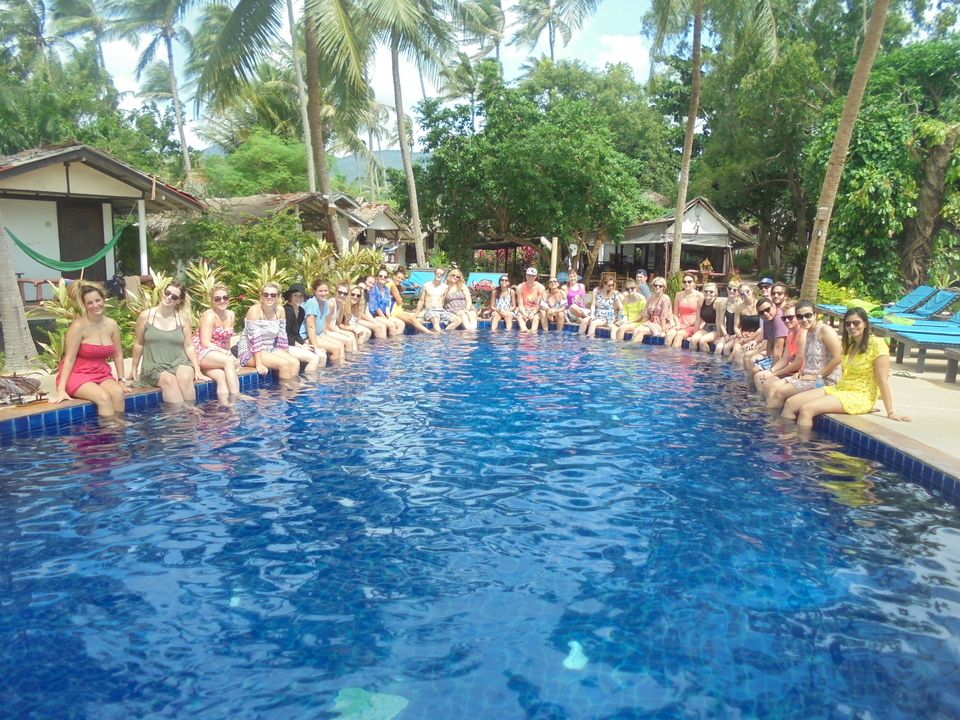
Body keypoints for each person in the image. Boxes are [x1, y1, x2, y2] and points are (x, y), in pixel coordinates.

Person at [782, 307, 911, 428]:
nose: (852, 327)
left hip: (860, 395)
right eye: (848, 324)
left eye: (856, 323)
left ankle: (802, 447)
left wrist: (891, 412)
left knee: (807, 409)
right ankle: (786, 443)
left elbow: (882, 380)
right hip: (841, 389)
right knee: (790, 403)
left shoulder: (877, 344)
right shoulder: (850, 344)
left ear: (865, 323)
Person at [49, 281, 130, 417]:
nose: (95, 305)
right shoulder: (78, 326)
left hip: (101, 372)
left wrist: (121, 380)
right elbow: (69, 359)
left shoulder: (112, 325)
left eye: (98, 300)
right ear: (84, 305)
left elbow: (118, 355)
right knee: (103, 398)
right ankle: (109, 433)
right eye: (90, 303)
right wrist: (61, 389)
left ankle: (118, 432)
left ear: (103, 300)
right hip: (77, 373)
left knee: (118, 393)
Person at [128, 280, 210, 404]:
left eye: (174, 296)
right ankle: (178, 418)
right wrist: (134, 368)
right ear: (163, 292)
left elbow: (188, 346)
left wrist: (197, 370)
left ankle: (191, 415)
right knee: (169, 381)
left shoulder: (182, 319)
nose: (169, 297)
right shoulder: (146, 316)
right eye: (167, 293)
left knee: (186, 378)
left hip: (178, 361)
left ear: (179, 300)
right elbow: (139, 343)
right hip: (154, 364)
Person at [765, 300, 843, 409]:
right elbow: (815, 360)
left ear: (815, 315)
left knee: (781, 392)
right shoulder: (809, 332)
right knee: (773, 386)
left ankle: (771, 421)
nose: (804, 319)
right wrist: (802, 371)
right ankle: (770, 418)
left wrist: (817, 376)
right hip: (810, 376)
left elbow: (838, 357)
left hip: (825, 379)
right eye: (800, 317)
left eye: (808, 315)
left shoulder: (825, 330)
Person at [236, 281, 301, 379]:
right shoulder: (254, 311)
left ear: (278, 297)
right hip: (250, 351)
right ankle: (286, 393)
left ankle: (293, 391)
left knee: (295, 363)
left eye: (273, 295)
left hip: (270, 348)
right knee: (284, 364)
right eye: (266, 294)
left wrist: (284, 353)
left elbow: (282, 336)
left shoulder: (280, 310)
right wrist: (259, 364)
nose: (269, 297)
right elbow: (255, 340)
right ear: (261, 296)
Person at [193, 284, 243, 398]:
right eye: (217, 298)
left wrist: (228, 352)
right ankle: (236, 396)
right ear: (212, 301)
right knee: (229, 362)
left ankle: (225, 406)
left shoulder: (231, 314)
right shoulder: (209, 316)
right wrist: (227, 355)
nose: (222, 301)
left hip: (217, 353)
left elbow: (226, 341)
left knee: (221, 376)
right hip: (202, 351)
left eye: (225, 297)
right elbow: (205, 342)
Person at [754, 300, 805, 394]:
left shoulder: (803, 335)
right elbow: (784, 359)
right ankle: (761, 402)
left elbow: (798, 363)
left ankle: (767, 405)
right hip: (792, 369)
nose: (786, 321)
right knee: (761, 377)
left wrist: (775, 373)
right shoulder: (790, 335)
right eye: (784, 318)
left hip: (800, 372)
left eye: (790, 317)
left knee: (770, 383)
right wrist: (771, 371)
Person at [303, 279, 350, 361]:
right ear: (315, 292)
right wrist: (316, 347)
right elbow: (310, 327)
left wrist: (326, 339)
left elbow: (323, 324)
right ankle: (333, 371)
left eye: (326, 291)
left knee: (340, 344)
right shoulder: (312, 304)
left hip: (318, 334)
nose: (323, 293)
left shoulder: (324, 303)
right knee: (335, 349)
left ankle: (342, 365)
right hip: (306, 336)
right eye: (320, 291)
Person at [282, 283, 324, 372]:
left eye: (301, 296)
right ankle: (307, 384)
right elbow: (284, 334)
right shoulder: (287, 311)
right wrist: (300, 346)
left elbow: (296, 334)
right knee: (314, 358)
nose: (298, 298)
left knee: (322, 355)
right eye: (295, 295)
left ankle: (319, 381)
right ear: (290, 297)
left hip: (293, 343)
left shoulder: (301, 311)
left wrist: (304, 344)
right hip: (284, 344)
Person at [387, 268, 437, 334]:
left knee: (413, 319)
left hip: (398, 310)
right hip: (393, 312)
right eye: (398, 277)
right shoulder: (392, 286)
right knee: (412, 320)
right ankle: (430, 333)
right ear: (394, 276)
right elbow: (399, 301)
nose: (400, 280)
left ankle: (428, 332)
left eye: (401, 279)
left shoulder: (393, 286)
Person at [629, 276, 672, 343]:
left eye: (660, 286)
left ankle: (633, 347)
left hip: (661, 323)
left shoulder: (665, 299)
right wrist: (642, 324)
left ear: (663, 287)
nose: (657, 287)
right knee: (636, 330)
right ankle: (634, 348)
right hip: (650, 322)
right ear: (653, 286)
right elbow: (646, 314)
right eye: (655, 285)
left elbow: (664, 316)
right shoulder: (650, 298)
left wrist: (663, 330)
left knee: (641, 331)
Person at [666, 273, 703, 348]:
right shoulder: (678, 295)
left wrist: (688, 325)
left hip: (694, 324)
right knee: (669, 334)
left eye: (689, 282)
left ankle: (676, 357)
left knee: (679, 334)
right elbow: (675, 314)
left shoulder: (699, 296)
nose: (687, 283)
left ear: (694, 283)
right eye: (684, 282)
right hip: (681, 322)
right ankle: (667, 355)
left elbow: (701, 316)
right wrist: (678, 324)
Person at [729, 285, 761, 364]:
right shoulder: (739, 307)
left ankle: (741, 373)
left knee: (740, 353)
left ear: (751, 290)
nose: (746, 294)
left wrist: (750, 339)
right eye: (742, 293)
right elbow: (736, 326)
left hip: (756, 336)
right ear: (740, 296)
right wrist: (740, 336)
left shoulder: (759, 305)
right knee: (735, 352)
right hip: (742, 335)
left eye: (747, 291)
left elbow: (761, 328)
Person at [368, 268, 405, 336]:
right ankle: (391, 343)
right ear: (377, 276)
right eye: (380, 276)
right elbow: (376, 307)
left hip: (385, 314)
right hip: (376, 315)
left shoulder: (386, 289)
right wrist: (386, 319)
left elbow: (387, 305)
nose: (382, 278)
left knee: (401, 324)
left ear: (387, 278)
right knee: (391, 325)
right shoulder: (373, 288)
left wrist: (389, 316)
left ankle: (395, 342)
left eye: (385, 277)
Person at [689, 282, 722, 352]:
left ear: (715, 293)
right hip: (706, 327)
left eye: (711, 291)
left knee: (702, 341)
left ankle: (705, 360)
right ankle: (693, 360)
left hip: (716, 328)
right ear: (703, 292)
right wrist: (695, 333)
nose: (708, 293)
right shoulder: (700, 301)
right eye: (706, 291)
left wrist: (719, 336)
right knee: (693, 339)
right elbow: (698, 319)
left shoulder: (717, 303)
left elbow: (718, 321)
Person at [714, 279, 741, 357]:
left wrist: (736, 335)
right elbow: (721, 323)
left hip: (737, 334)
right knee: (718, 348)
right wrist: (725, 334)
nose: (731, 291)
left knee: (726, 348)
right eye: (730, 289)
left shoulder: (740, 305)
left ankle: (728, 367)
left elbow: (742, 323)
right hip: (728, 333)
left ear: (738, 292)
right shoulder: (723, 305)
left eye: (734, 290)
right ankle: (717, 367)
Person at [516, 267, 545, 333]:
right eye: (529, 275)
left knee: (536, 319)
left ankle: (533, 336)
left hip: (535, 310)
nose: (530, 277)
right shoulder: (520, 287)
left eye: (532, 276)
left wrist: (533, 313)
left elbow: (538, 305)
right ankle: (524, 334)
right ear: (526, 276)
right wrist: (524, 313)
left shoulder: (541, 287)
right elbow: (520, 305)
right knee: (520, 319)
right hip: (523, 309)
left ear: (535, 277)